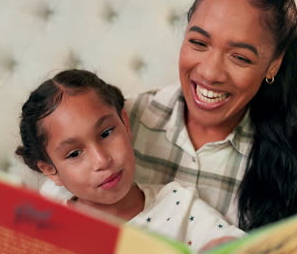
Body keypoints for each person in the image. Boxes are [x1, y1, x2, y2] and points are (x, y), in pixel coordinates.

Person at [125, 0, 297, 231]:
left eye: (240, 58)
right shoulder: (119, 122)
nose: (210, 73)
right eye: (199, 43)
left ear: (273, 65)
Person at [15, 69, 244, 252]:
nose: (102, 160)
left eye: (106, 134)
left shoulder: (180, 207)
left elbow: (249, 247)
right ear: (50, 171)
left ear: (125, 123)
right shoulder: (46, 219)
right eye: (74, 154)